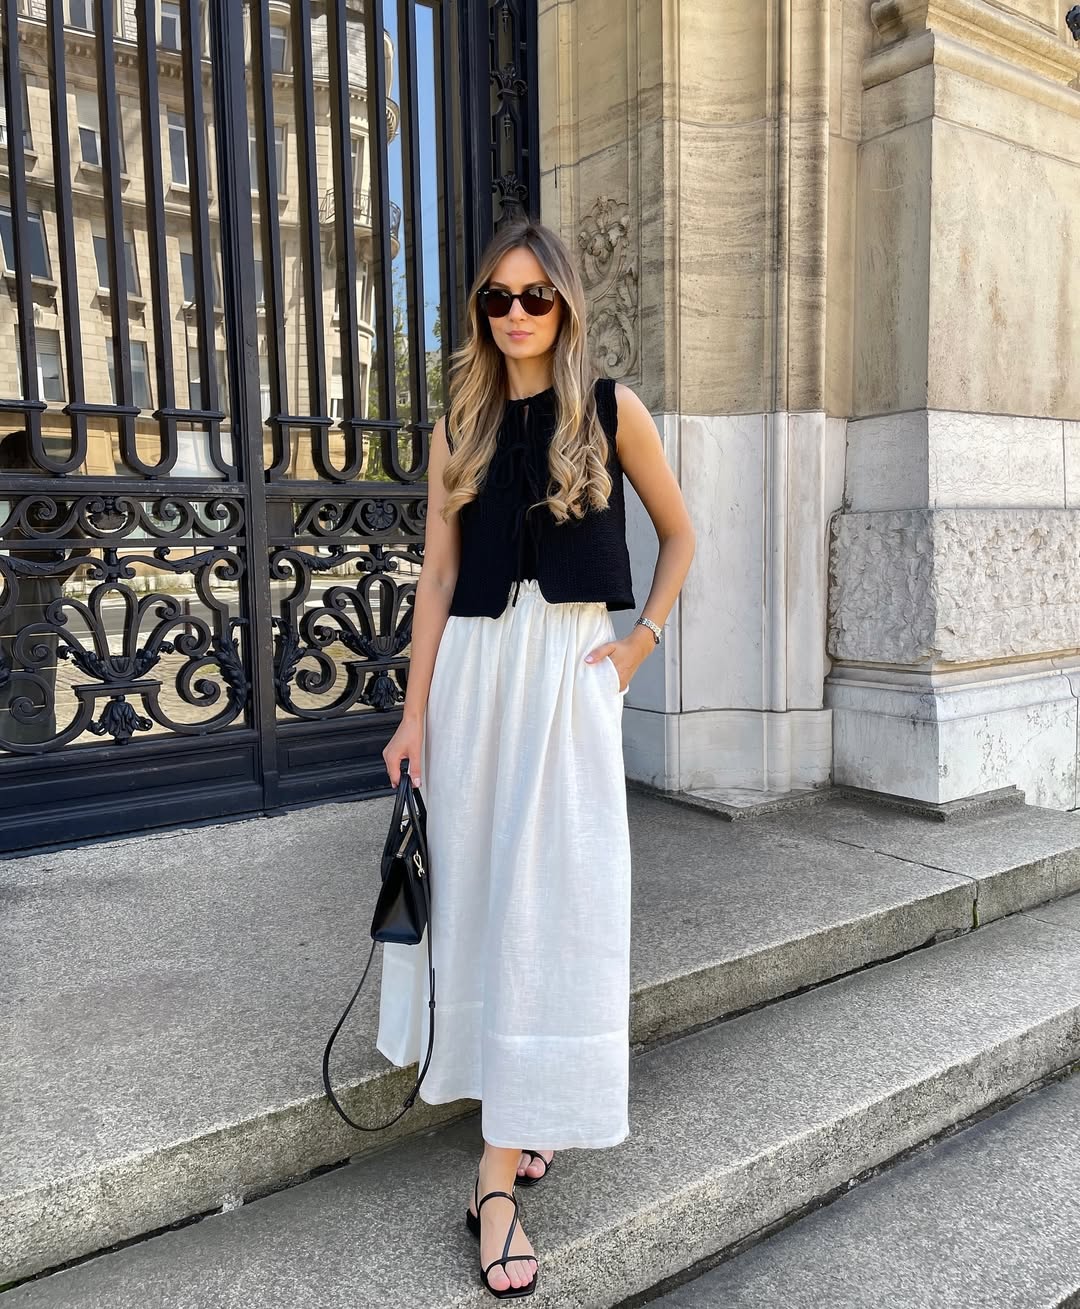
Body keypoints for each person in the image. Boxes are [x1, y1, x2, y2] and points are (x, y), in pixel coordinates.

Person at [376, 219, 695, 1298]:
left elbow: (682, 534)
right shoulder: (456, 424)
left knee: (556, 900)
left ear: (565, 304)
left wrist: (634, 647)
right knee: (479, 899)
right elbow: (434, 577)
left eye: (535, 297)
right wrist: (412, 714)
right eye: (498, 299)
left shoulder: (610, 412)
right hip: (472, 681)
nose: (515, 315)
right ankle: (508, 1147)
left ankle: (496, 1175)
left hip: (567, 680)